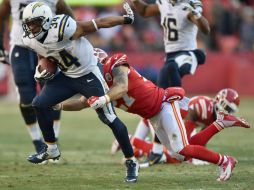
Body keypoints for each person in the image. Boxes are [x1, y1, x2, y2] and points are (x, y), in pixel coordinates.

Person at [55, 49, 250, 181]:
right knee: (178, 154)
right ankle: (220, 123)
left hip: (165, 103)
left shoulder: (116, 66)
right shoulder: (97, 85)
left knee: (182, 147)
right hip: (152, 115)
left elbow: (121, 87)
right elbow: (80, 103)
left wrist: (104, 99)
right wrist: (58, 106)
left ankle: (225, 160)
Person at [21, 2, 139, 183]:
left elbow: (99, 23)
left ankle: (131, 161)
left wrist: (125, 19)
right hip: (67, 76)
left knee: (109, 118)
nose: (31, 27)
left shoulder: (63, 28)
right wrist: (41, 66)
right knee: (39, 104)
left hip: (88, 74)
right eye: (28, 23)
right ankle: (51, 148)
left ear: (45, 21)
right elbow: (42, 52)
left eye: (35, 22)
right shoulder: (29, 39)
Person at [131, 0, 210, 163]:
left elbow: (205, 29)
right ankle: (158, 149)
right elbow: (145, 11)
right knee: (158, 99)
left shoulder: (188, 5)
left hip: (189, 53)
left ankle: (179, 109)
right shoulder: (163, 3)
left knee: (171, 70)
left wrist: (197, 14)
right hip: (170, 58)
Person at [0, 0, 74, 153]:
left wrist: (68, 42)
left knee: (54, 94)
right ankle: (37, 141)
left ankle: (54, 139)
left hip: (49, 48)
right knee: (26, 96)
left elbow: (70, 18)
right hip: (21, 46)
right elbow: (2, 16)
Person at [129, 88, 247, 165]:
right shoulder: (202, 107)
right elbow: (186, 144)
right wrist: (195, 157)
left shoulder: (211, 113)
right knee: (177, 154)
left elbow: (197, 144)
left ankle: (136, 149)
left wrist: (199, 156)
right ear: (220, 101)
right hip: (158, 119)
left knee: (176, 155)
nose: (228, 111)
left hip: (167, 121)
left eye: (231, 110)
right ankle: (129, 141)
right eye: (227, 108)